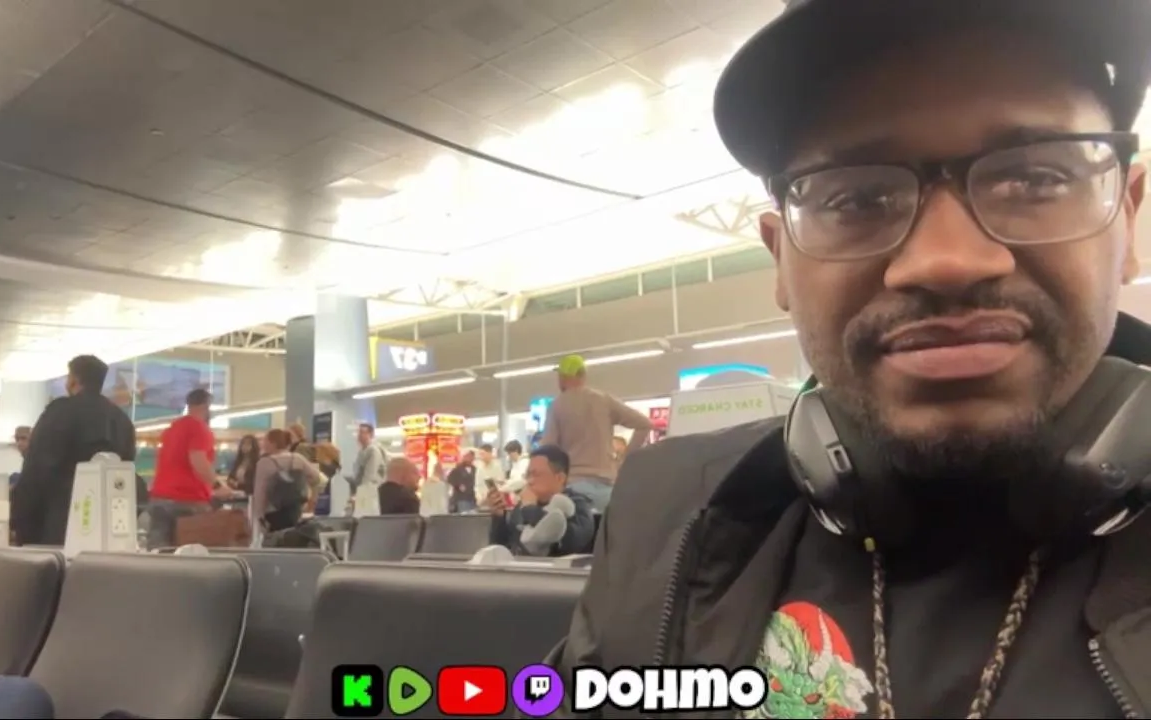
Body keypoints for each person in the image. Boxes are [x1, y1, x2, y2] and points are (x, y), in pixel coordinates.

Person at [545, 2, 1151, 718]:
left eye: (1035, 179)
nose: (947, 260)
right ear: (780, 258)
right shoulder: (670, 515)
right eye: (858, 198)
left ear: (1127, 214)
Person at [12, 355, 136, 546]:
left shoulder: (60, 412)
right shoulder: (122, 421)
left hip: (58, 521)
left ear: (73, 381)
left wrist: (19, 516)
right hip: (109, 525)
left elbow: (37, 467)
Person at [541, 355, 652, 514]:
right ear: (583, 375)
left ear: (564, 377)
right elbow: (645, 424)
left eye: (560, 376)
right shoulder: (603, 400)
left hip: (574, 488)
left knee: (579, 530)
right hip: (607, 489)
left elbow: (547, 450)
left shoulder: (556, 406)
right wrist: (623, 460)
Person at [146, 389, 232, 548]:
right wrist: (218, 486)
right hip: (188, 500)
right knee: (190, 553)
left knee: (158, 552)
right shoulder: (200, 428)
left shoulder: (172, 428)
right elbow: (198, 460)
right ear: (207, 406)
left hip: (160, 497)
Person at [487, 445, 594, 557]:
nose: (530, 481)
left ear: (560, 478)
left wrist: (530, 510)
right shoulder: (521, 508)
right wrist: (498, 517)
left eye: (536, 474)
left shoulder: (577, 507)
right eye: (528, 475)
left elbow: (567, 541)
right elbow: (502, 551)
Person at [252, 428, 319, 535]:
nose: (263, 444)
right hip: (295, 508)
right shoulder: (297, 458)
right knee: (292, 537)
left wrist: (259, 516)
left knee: (276, 540)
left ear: (273, 443)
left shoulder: (264, 463)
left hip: (273, 510)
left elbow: (260, 492)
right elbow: (316, 477)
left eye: (265, 441)